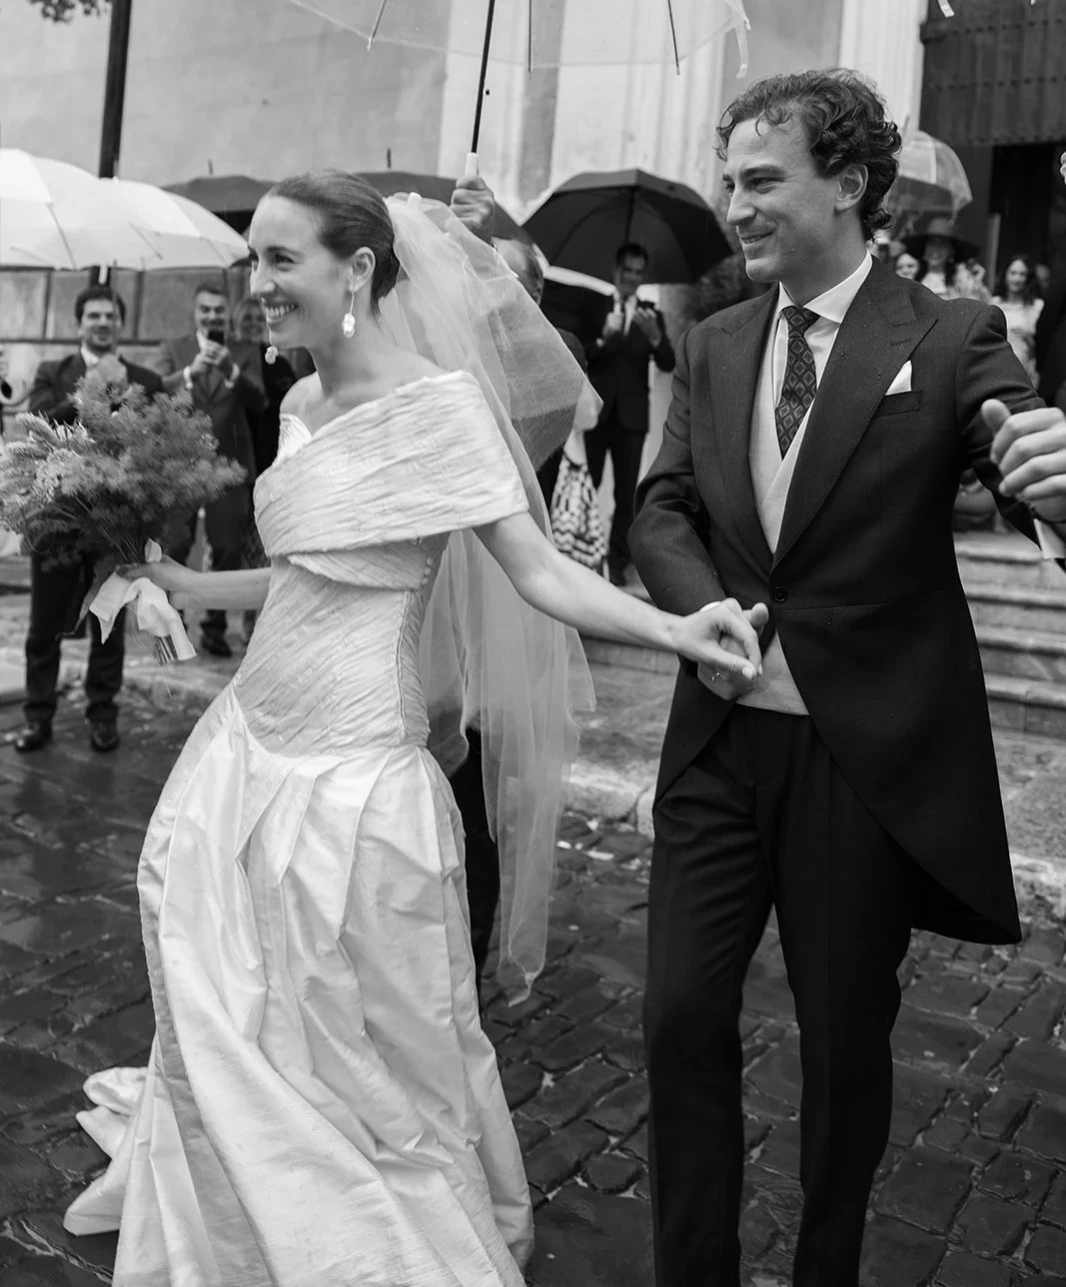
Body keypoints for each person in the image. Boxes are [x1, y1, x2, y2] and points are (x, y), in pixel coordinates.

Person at [61, 171, 758, 1284]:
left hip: (355, 770)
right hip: (248, 746)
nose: (257, 283)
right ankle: (242, 1185)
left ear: (361, 270)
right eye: (255, 260)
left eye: (281, 259)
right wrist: (183, 588)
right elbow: (297, 576)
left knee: (361, 1030)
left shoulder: (441, 410)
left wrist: (678, 629)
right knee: (226, 990)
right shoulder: (293, 407)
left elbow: (540, 573)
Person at [629, 69, 1066, 1287]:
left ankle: (826, 1264)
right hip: (715, 745)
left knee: (842, 1049)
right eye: (729, 181)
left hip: (857, 762)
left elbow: (1018, 450)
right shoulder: (713, 344)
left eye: (760, 180)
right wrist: (694, 600)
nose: (735, 205)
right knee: (675, 1022)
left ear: (852, 186)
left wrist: (1055, 478)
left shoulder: (949, 336)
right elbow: (661, 509)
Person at [14, 287, 164, 755]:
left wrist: (122, 392)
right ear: (79, 324)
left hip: (115, 524)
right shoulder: (52, 373)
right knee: (44, 628)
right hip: (57, 523)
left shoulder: (145, 378)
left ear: (120, 324)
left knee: (109, 622)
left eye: (110, 316)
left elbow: (158, 443)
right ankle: (38, 717)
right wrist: (91, 389)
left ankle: (103, 715)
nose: (102, 323)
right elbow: (36, 423)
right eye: (93, 315)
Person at [155, 282, 264, 658]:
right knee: (175, 545)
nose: (213, 316)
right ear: (196, 312)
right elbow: (156, 392)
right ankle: (173, 628)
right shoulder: (174, 349)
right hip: (180, 466)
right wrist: (188, 373)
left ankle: (215, 630)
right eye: (206, 310)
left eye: (219, 310)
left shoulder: (244, 350)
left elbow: (258, 399)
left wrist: (231, 370)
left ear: (226, 314)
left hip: (229, 466)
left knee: (227, 549)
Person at [582, 242, 675, 586]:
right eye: (627, 271)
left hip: (633, 419)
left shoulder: (653, 314)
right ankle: (582, 554)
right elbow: (581, 354)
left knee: (626, 496)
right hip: (597, 414)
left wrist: (655, 338)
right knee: (587, 486)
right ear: (616, 271)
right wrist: (603, 340)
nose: (632, 278)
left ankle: (618, 561)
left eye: (638, 273)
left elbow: (668, 361)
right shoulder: (597, 308)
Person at [230, 295, 297, 643]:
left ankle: (252, 624)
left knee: (261, 551)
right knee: (229, 548)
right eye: (248, 316)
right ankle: (215, 622)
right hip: (237, 465)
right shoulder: (229, 363)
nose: (255, 321)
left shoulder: (280, 368)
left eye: (260, 316)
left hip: (270, 465)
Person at [903, 214, 992, 302]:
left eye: (942, 244)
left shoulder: (962, 278)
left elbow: (976, 307)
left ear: (951, 250)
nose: (935, 250)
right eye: (932, 243)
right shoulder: (912, 275)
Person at [993, 253, 1043, 381]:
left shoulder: (1037, 306)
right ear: (1005, 275)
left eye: (1022, 274)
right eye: (1013, 273)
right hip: (995, 370)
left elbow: (1044, 344)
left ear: (1028, 278)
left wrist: (1029, 339)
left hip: (1024, 372)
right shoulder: (994, 303)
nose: (1016, 279)